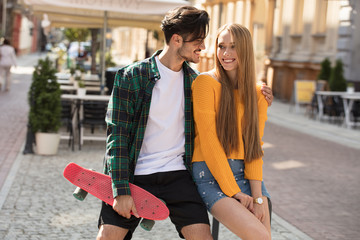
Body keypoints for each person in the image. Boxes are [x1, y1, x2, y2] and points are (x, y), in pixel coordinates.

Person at [97, 7, 273, 240]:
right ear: (177, 40)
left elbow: (230, 113)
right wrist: (120, 189)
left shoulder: (195, 82)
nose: (203, 47)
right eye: (198, 41)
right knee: (108, 236)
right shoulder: (132, 77)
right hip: (135, 173)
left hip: (179, 175)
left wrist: (259, 95)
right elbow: (117, 137)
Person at [191, 23, 271, 240]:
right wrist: (232, 190)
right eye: (221, 46)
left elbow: (255, 148)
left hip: (246, 176)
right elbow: (209, 140)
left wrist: (258, 199)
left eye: (233, 47)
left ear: (245, 49)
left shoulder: (258, 93)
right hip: (209, 175)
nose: (226, 53)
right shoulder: (204, 83)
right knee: (260, 236)